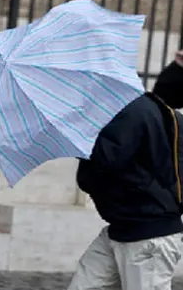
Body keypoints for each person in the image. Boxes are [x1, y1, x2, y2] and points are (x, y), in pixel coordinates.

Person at [69, 51, 183, 290]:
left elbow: (99, 167)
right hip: (122, 228)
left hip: (147, 236)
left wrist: (79, 137)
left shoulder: (127, 112)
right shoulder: (137, 106)